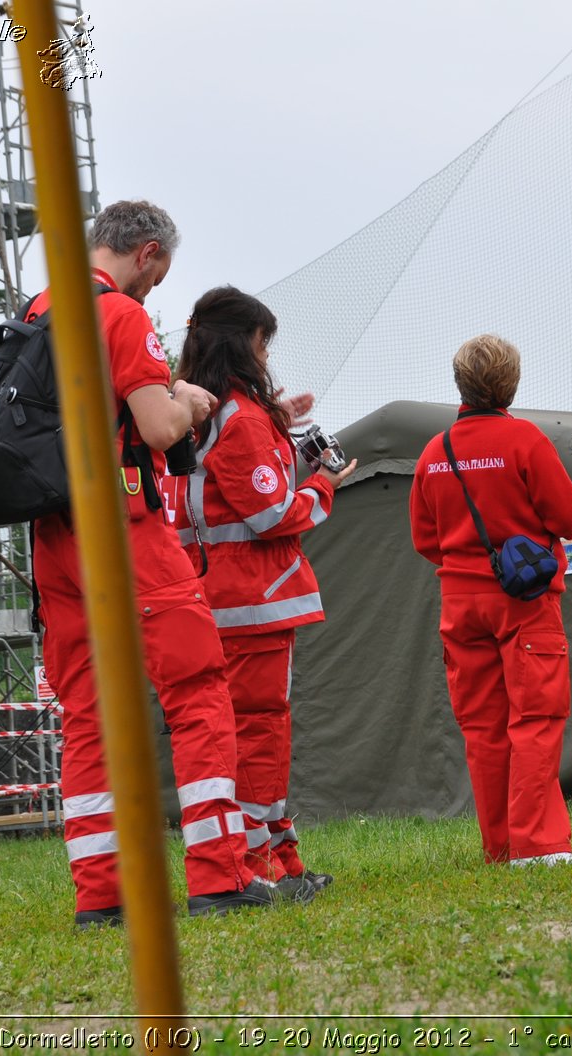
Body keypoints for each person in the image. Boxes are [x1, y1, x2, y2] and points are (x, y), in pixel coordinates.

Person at [29, 200, 274, 926]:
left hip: (54, 532)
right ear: (145, 253)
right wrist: (189, 401)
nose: (154, 290)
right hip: (125, 526)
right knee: (198, 689)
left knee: (89, 711)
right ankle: (219, 874)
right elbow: (155, 426)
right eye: (157, 276)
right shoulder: (120, 316)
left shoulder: (40, 310)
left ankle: (103, 894)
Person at [170, 285, 356, 898]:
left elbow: (242, 494)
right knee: (259, 733)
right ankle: (263, 864)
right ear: (244, 343)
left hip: (224, 599)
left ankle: (281, 857)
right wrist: (325, 483)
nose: (267, 353)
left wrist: (288, 443)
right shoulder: (240, 418)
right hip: (253, 602)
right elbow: (271, 513)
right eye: (263, 341)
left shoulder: (202, 411)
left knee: (257, 731)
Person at [409, 335, 572, 868]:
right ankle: (537, 847)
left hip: (460, 604)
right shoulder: (525, 441)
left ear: (460, 383)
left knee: (484, 729)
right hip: (524, 601)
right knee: (535, 718)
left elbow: (424, 540)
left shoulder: (433, 452)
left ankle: (500, 847)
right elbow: (566, 518)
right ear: (510, 383)